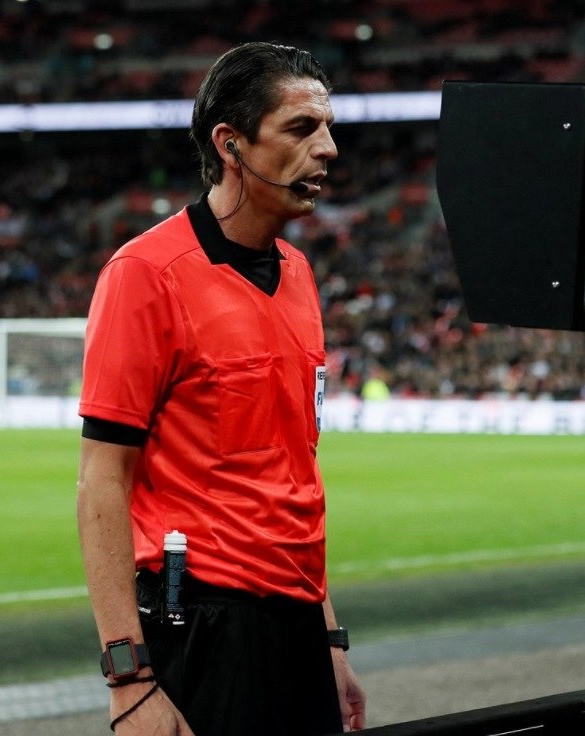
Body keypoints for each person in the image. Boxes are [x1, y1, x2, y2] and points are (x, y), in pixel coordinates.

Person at [76, 42, 366, 736]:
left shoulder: (298, 273)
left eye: (328, 128)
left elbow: (295, 477)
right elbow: (102, 481)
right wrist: (129, 679)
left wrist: (328, 639)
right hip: (203, 629)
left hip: (298, 629)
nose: (327, 150)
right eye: (302, 128)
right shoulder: (146, 273)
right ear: (230, 144)